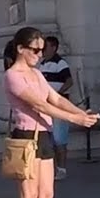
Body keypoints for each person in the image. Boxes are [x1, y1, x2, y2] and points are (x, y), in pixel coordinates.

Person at [2, 27, 98, 198]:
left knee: (46, 195)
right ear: (21, 49)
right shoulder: (13, 75)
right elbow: (39, 105)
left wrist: (80, 112)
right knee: (29, 195)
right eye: (35, 50)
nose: (39, 55)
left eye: (42, 50)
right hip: (25, 137)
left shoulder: (36, 74)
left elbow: (54, 98)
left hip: (43, 135)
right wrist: (75, 120)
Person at [38, 37, 73, 179]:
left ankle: (62, 169)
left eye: (45, 47)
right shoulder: (42, 64)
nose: (43, 51)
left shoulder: (61, 63)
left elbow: (69, 81)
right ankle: (52, 168)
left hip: (58, 106)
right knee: (49, 138)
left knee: (59, 139)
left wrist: (56, 95)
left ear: (53, 48)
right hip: (46, 106)